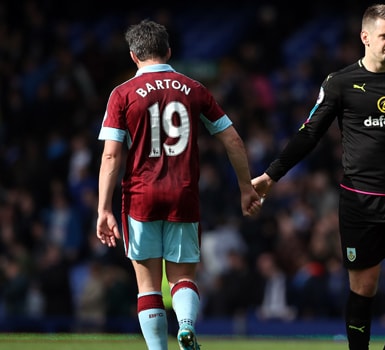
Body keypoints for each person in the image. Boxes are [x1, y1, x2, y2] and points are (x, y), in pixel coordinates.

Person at [251, 4, 385, 350]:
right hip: (360, 204)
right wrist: (272, 175)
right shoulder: (340, 83)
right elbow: (309, 133)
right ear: (365, 37)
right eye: (384, 36)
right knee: (364, 289)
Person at [96, 19, 262, 350]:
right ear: (169, 51)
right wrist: (246, 187)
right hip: (183, 195)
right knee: (183, 278)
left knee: (148, 287)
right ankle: (186, 325)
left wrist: (103, 209)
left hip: (140, 198)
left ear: (133, 56)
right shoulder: (194, 88)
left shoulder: (122, 94)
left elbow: (112, 157)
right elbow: (232, 139)